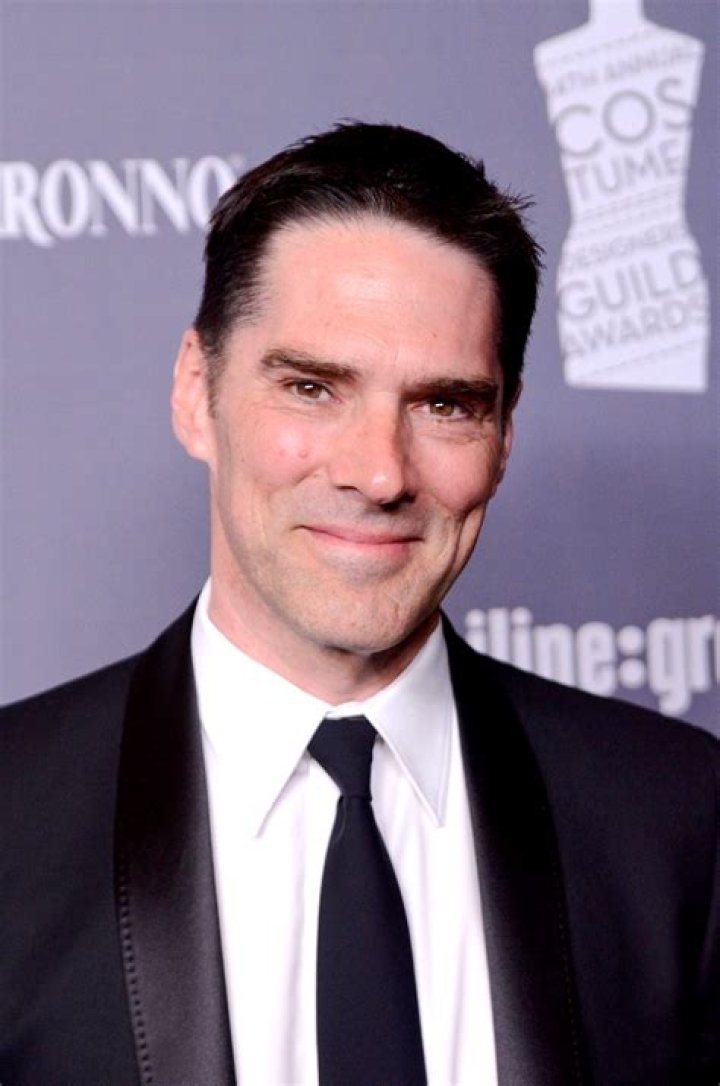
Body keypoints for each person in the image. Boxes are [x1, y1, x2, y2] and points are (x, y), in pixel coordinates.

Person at [1, 123, 717, 1086]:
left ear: (504, 436)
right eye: (311, 388)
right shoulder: (12, 819)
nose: (380, 473)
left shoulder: (676, 820)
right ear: (196, 391)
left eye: (445, 405)